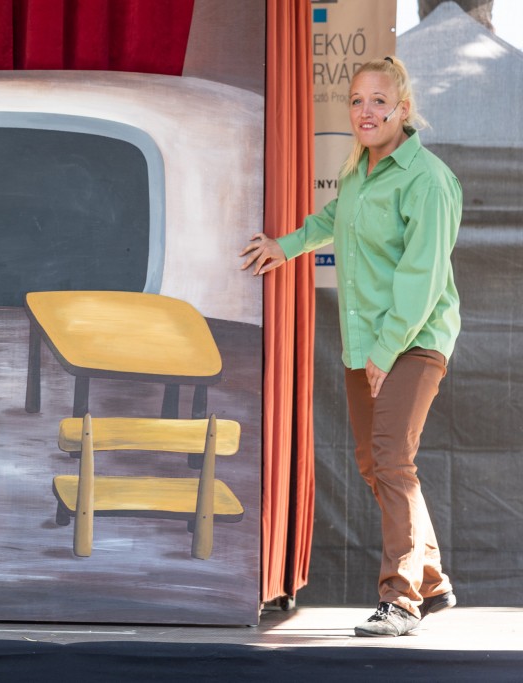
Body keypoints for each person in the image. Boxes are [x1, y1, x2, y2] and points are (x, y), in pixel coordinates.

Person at [240, 56, 460, 637]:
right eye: (357, 100)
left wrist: (386, 352)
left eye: (379, 101)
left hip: (413, 340)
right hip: (366, 344)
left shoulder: (428, 180)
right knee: (374, 464)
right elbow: (335, 219)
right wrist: (284, 246)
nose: (366, 111)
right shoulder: (359, 171)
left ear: (402, 110)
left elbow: (422, 279)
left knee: (391, 461)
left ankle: (402, 600)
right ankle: (432, 581)